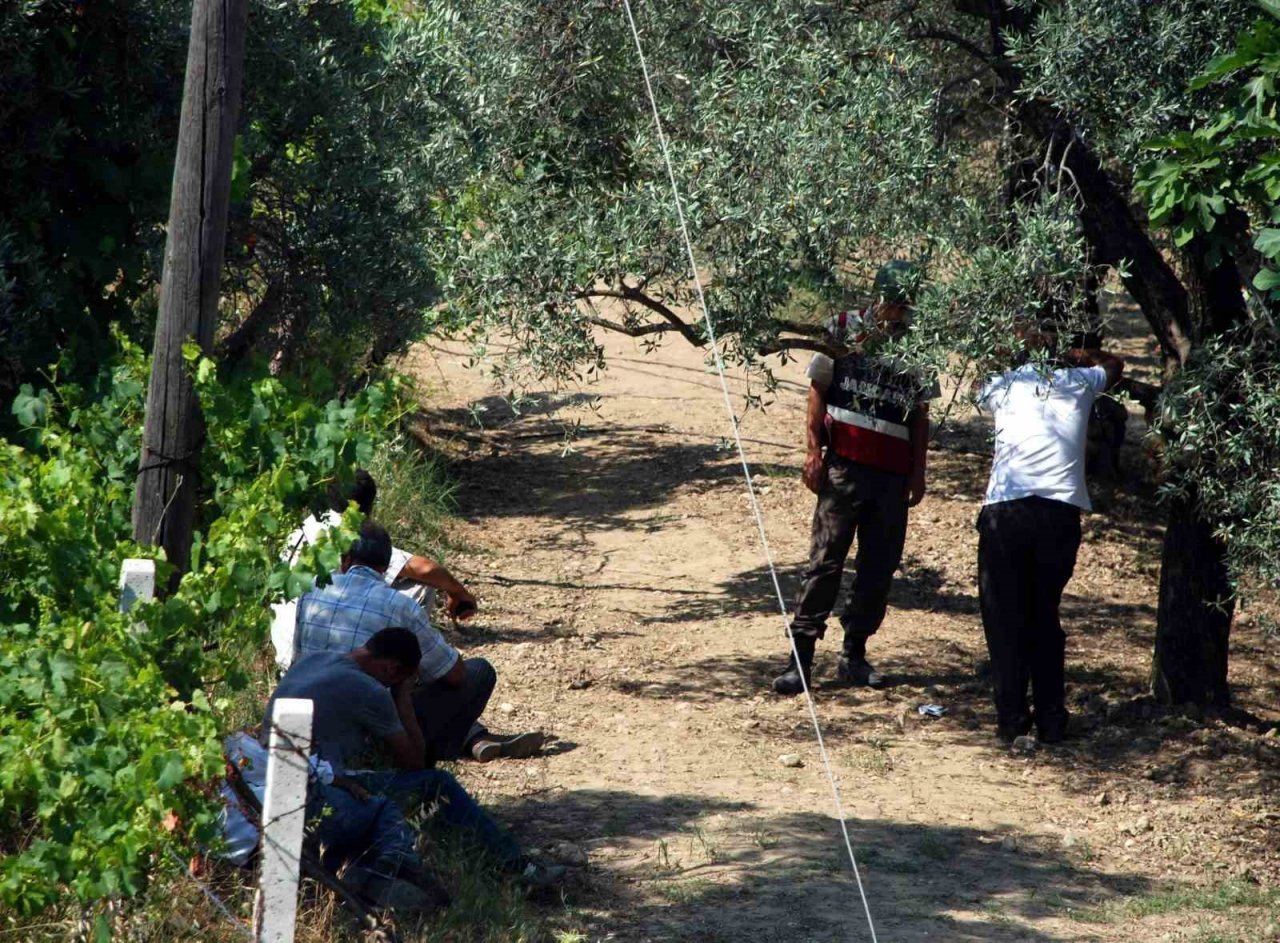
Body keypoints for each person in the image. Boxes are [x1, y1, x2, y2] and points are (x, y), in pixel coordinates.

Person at [255, 628, 563, 907]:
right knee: (437, 784)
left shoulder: (316, 659)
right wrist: (401, 696)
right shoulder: (370, 690)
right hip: (320, 793)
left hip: (271, 783)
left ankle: (374, 868)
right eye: (405, 679)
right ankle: (513, 867)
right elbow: (414, 760)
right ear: (391, 669)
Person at [774, 261, 939, 696]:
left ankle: (854, 654)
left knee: (878, 568)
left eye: (904, 306)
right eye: (893, 304)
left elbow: (920, 415)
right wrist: (813, 452)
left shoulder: (920, 345)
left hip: (890, 477)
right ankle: (801, 659)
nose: (898, 313)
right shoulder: (843, 328)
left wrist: (917, 472)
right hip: (844, 468)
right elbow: (817, 391)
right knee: (825, 561)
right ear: (878, 297)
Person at [975, 327, 1124, 743]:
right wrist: (1074, 353)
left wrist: (1012, 345)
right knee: (1043, 613)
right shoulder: (1080, 381)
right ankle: (1052, 718)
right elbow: (1115, 365)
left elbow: (978, 377)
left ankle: (1010, 719)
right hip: (1058, 514)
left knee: (1003, 618)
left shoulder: (1004, 384)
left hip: (1006, 509)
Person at [292, 518, 543, 763]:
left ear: (345, 561)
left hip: (309, 716)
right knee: (479, 672)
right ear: (387, 566)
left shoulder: (312, 590)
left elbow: (298, 660)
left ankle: (466, 740)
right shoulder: (399, 606)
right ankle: (442, 747)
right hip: (370, 727)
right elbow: (453, 674)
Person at [269, 470, 476, 665]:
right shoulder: (349, 530)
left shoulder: (304, 528)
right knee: (422, 585)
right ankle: (405, 667)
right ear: (369, 507)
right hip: (336, 660)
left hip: (292, 657)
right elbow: (424, 569)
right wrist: (459, 592)